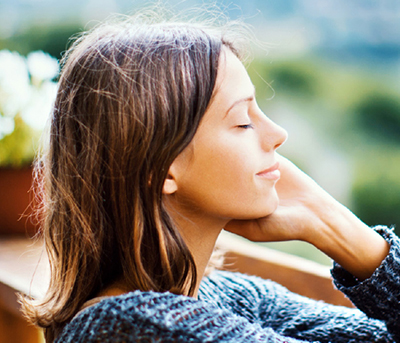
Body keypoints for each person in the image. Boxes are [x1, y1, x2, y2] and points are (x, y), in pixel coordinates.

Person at [21, 11, 400, 343]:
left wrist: (329, 223)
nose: (277, 134)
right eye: (242, 121)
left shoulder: (223, 296)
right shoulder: (133, 327)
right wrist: (338, 228)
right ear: (160, 168)